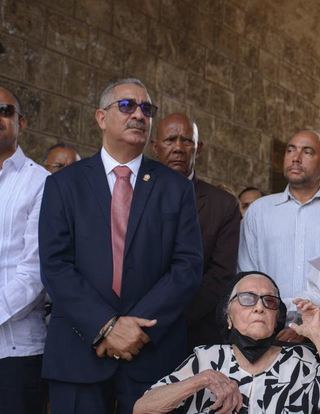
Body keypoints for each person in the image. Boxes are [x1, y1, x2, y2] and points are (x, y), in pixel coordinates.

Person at [38, 78, 203, 414]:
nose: (139, 115)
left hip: (153, 354)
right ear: (101, 117)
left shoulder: (175, 188)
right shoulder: (63, 185)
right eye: (127, 105)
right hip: (78, 350)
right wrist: (106, 326)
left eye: (146, 108)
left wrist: (134, 328)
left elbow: (187, 266)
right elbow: (55, 265)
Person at [133, 271, 320, 414]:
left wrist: (318, 334)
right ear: (228, 316)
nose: (259, 307)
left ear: (276, 319)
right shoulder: (206, 358)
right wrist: (203, 379)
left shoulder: (302, 361)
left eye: (269, 301)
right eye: (247, 299)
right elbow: (142, 408)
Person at [238, 130, 320, 342]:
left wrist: (306, 322)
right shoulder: (259, 210)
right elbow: (247, 272)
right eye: (290, 150)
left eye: (307, 152)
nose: (296, 158)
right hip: (267, 331)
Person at [152, 112, 241, 349]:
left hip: (195, 335)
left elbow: (221, 274)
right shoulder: (134, 195)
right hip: (136, 331)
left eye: (187, 140)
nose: (179, 148)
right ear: (155, 147)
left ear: (198, 148)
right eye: (170, 140)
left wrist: (168, 318)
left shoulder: (222, 205)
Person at [0, 87, 48, 413]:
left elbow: (33, 273)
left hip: (16, 352)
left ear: (21, 122)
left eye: (5, 111)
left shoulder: (40, 182)